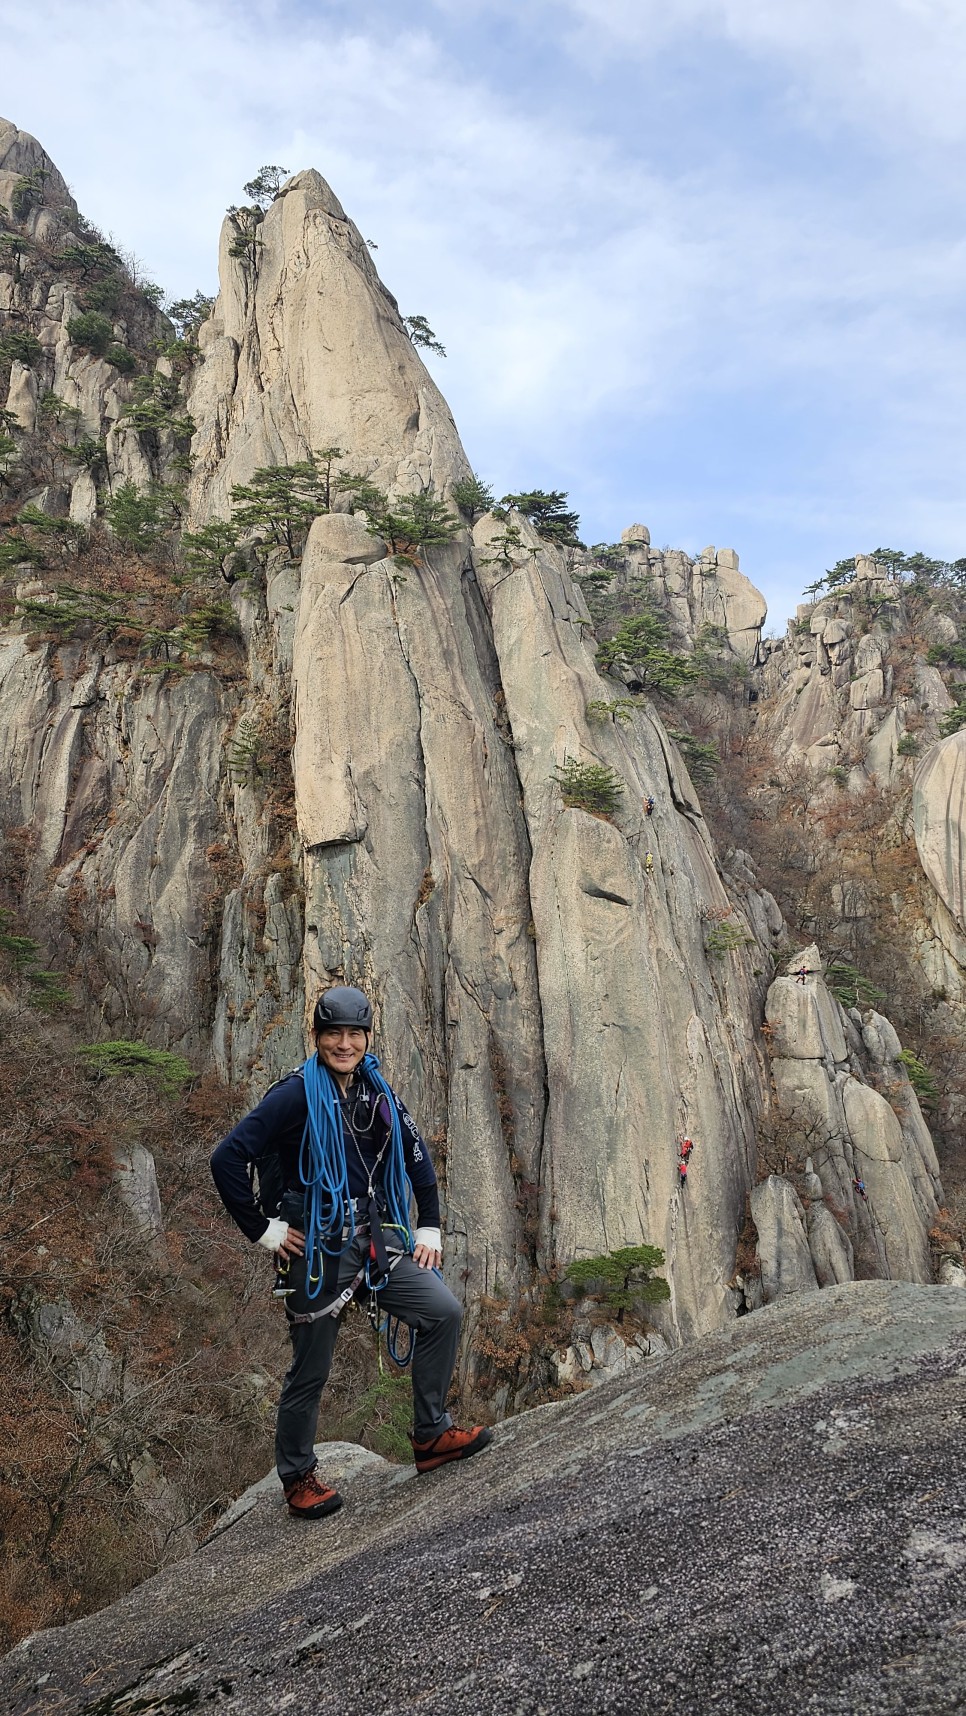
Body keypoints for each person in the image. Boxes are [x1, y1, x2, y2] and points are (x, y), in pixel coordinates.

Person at [210, 985, 491, 1519]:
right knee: (311, 1369)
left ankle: (430, 1433)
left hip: (372, 1240)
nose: (344, 1044)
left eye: (354, 1034)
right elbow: (227, 1158)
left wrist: (428, 1226)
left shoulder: (375, 1091)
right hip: (314, 1248)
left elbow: (416, 1156)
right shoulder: (294, 1095)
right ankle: (296, 1476)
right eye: (333, 1033)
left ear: (366, 1038)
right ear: (316, 1037)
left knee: (442, 1312)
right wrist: (263, 1230)